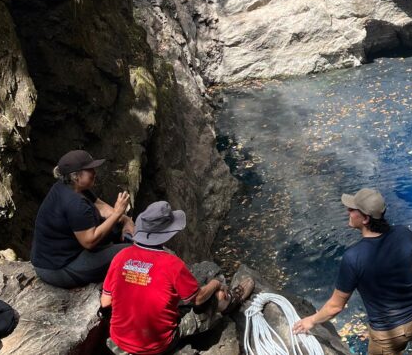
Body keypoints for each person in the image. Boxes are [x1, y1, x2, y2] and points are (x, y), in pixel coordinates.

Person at [292, 188, 412, 355]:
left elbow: (335, 307)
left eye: (352, 209)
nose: (348, 211)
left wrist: (310, 321)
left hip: (387, 333)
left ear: (365, 218)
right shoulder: (406, 234)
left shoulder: (353, 257)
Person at [100, 201, 255, 355]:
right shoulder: (172, 264)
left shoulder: (120, 257)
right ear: (167, 234)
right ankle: (230, 302)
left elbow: (105, 301)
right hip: (157, 345)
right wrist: (215, 283)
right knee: (216, 297)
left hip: (119, 341)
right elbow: (199, 299)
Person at [31, 150, 135, 288]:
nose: (94, 172)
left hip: (53, 258)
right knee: (133, 252)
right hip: (60, 269)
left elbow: (101, 207)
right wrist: (117, 213)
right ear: (75, 176)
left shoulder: (71, 187)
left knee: (116, 227)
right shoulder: (74, 203)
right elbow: (89, 242)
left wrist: (125, 219)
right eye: (90, 170)